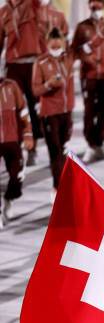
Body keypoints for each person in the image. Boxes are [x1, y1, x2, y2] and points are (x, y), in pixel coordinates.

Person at [72, 0, 104, 163]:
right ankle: (91, 144)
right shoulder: (82, 28)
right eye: (94, 6)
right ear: (89, 6)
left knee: (103, 109)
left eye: (100, 6)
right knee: (89, 110)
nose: (97, 9)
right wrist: (88, 60)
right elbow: (75, 50)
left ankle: (99, 143)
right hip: (88, 76)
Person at [32, 27, 74, 202]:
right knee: (55, 151)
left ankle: (61, 185)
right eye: (53, 43)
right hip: (50, 114)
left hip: (66, 112)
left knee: (63, 150)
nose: (56, 45)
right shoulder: (40, 62)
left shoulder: (68, 58)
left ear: (63, 42)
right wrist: (49, 84)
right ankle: (58, 189)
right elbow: (35, 90)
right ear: (47, 43)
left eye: (59, 42)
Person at [0, 0, 44, 166]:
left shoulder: (32, 4)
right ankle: (16, 147)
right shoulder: (3, 12)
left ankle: (33, 148)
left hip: (33, 64)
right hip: (13, 66)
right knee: (14, 108)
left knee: (34, 106)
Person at [0, 70, 34, 228]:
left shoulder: (12, 86)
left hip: (12, 140)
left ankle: (9, 198)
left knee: (18, 175)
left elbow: (23, 111)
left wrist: (27, 134)